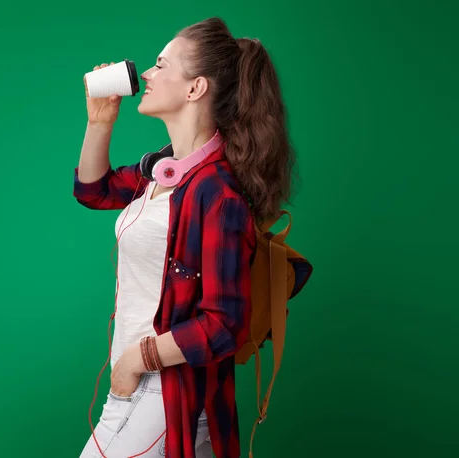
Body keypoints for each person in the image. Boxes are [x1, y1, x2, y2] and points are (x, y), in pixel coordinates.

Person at [74, 16, 296, 458]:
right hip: (134, 383)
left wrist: (137, 361)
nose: (147, 75)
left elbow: (224, 324)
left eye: (160, 65)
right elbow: (92, 191)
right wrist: (100, 122)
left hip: (167, 389)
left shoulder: (217, 195)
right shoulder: (161, 170)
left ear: (195, 89)